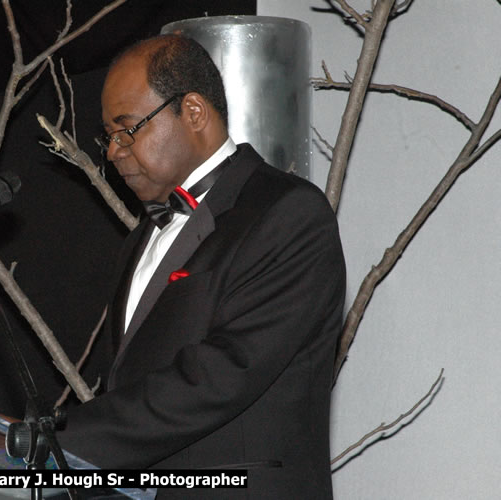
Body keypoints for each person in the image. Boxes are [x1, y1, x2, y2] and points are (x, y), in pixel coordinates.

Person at [56, 34, 346, 499]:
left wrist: (54, 439)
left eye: (126, 129)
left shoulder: (286, 213)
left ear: (193, 112)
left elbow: (220, 376)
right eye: (108, 137)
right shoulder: (138, 242)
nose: (112, 152)